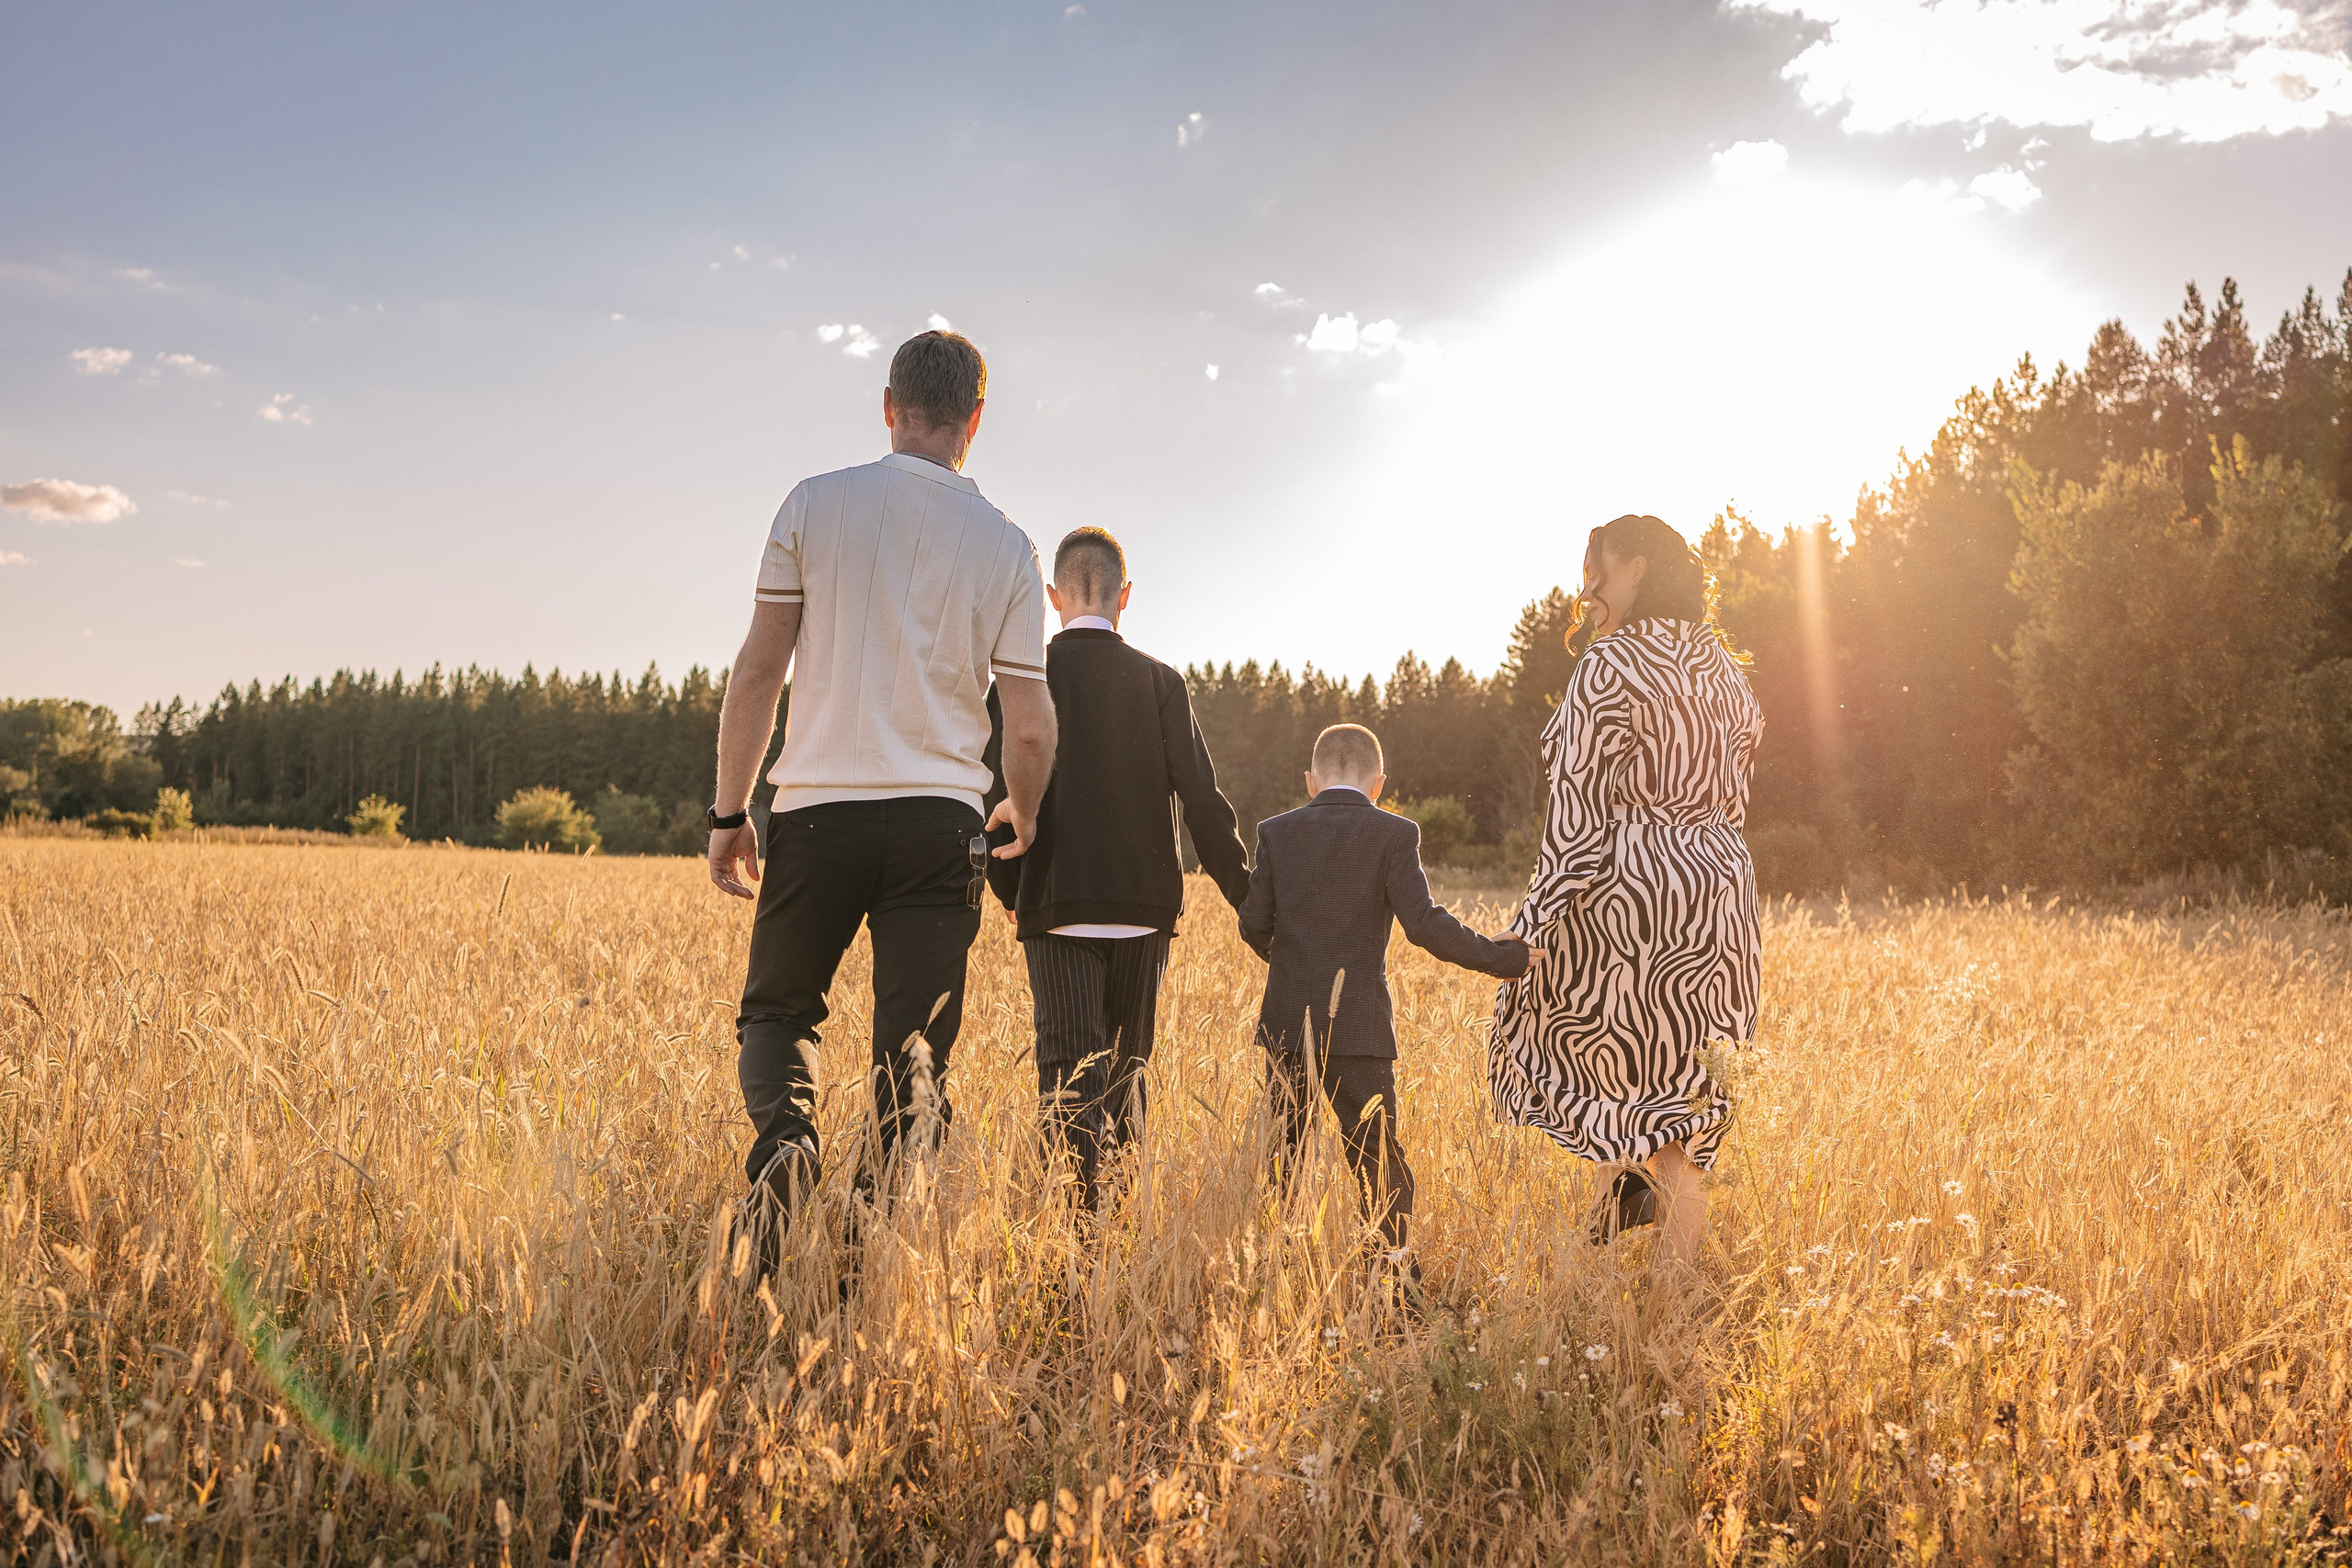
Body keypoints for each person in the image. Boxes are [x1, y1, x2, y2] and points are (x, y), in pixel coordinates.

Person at [707, 329, 1057, 1273]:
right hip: (943, 825)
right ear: (976, 421)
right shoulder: (1010, 547)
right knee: (913, 1058)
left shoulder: (813, 504)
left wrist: (728, 813)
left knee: (779, 1013)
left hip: (817, 812)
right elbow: (1027, 722)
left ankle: (787, 1142)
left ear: (889, 405)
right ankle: (867, 1262)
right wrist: (1020, 813)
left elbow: (758, 671)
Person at [1487, 513, 1764, 1275]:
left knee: (1615, 1080)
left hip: (1631, 899)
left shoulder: (1608, 669)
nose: (1587, 588)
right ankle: (1661, 1295)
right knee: (1688, 1100)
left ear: (1636, 569)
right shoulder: (1725, 670)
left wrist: (1531, 926)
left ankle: (1621, 1263)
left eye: (1596, 569)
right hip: (1720, 897)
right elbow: (1734, 803)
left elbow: (1576, 823)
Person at [980, 526, 1251, 1212]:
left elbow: (988, 809)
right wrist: (1250, 897)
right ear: (1125, 594)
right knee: (1127, 1079)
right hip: (1144, 913)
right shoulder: (1162, 683)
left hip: (1056, 906)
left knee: (1068, 1083)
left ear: (1051, 597)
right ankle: (1123, 1241)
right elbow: (1202, 802)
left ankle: (1077, 1247)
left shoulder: (1020, 682)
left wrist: (1016, 893)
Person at [1238, 723, 1530, 1278]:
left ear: (1309, 781)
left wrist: (1291, 960)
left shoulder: (1275, 832)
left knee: (1284, 1156)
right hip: (1359, 1023)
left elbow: (1253, 924)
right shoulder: (1395, 833)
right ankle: (1392, 1275)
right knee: (1375, 1155)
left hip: (1284, 1021)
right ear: (1378, 784)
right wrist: (1500, 957)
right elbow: (1423, 924)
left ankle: (1281, 1275)